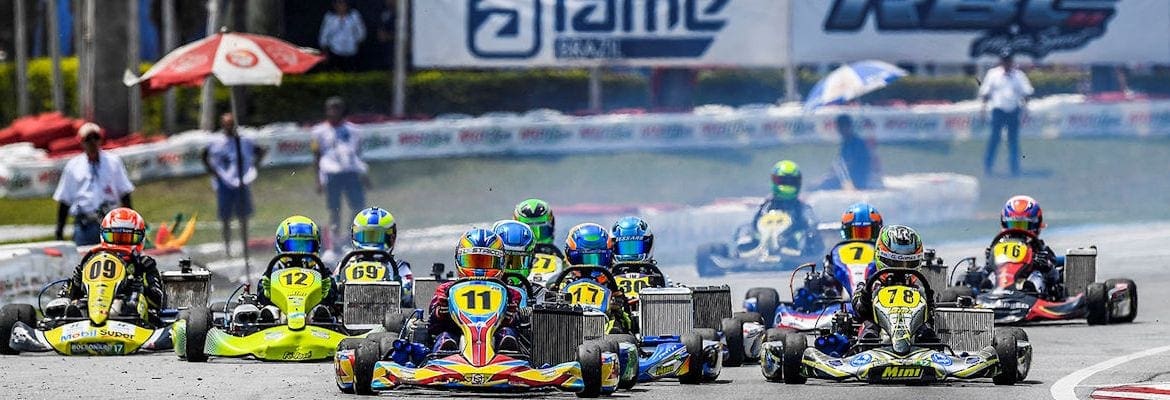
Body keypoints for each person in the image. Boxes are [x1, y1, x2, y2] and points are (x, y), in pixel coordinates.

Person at [55, 208, 164, 322]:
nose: (120, 245)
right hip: (93, 308)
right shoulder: (92, 261)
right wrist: (76, 283)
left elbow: (158, 300)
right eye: (114, 238)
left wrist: (140, 287)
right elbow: (77, 291)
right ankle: (73, 316)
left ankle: (128, 315)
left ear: (140, 238)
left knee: (136, 302)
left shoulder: (145, 264)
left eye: (126, 238)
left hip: (131, 313)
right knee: (73, 297)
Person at [427, 228, 524, 354]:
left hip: (496, 342)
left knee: (508, 334)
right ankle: (444, 353)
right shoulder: (445, 290)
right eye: (472, 261)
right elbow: (432, 325)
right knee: (445, 337)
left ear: (501, 263)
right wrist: (440, 312)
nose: (479, 269)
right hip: (456, 335)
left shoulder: (511, 293)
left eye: (486, 262)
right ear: (458, 260)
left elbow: (520, 325)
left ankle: (509, 352)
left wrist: (511, 315)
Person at [53, 123, 134, 246]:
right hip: (85, 226)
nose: (92, 142)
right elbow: (64, 200)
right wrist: (59, 231)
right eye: (88, 139)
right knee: (85, 262)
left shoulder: (113, 162)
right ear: (81, 141)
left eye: (95, 137)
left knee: (115, 259)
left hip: (111, 224)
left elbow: (124, 193)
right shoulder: (73, 166)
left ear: (100, 139)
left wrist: (130, 223)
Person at [851, 225, 937, 341]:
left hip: (913, 339)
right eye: (894, 263)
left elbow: (931, 314)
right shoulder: (870, 286)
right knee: (869, 326)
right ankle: (867, 343)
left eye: (908, 264)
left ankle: (928, 344)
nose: (900, 270)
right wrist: (867, 297)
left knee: (926, 328)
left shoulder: (919, 291)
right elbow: (859, 310)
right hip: (878, 340)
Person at [796, 203, 884, 311]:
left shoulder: (882, 253)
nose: (860, 239)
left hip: (876, 296)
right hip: (840, 301)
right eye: (855, 233)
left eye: (866, 233)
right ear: (846, 232)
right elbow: (828, 277)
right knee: (803, 293)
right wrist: (820, 283)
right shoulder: (838, 253)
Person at [970, 195, 1061, 298]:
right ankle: (986, 289)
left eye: (1022, 226)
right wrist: (990, 257)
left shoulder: (1040, 248)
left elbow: (1054, 276)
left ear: (1035, 225)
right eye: (1013, 224)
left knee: (1037, 275)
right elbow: (987, 268)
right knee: (982, 275)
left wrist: (1045, 264)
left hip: (1028, 289)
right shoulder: (998, 245)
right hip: (1002, 282)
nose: (1018, 230)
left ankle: (1031, 290)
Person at [202, 113, 266, 257]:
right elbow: (204, 156)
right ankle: (227, 248)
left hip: (241, 182)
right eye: (226, 124)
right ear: (222, 125)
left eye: (231, 124)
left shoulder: (243, 140)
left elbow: (260, 151)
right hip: (224, 183)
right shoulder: (216, 141)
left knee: (243, 217)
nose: (229, 127)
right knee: (226, 218)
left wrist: (253, 167)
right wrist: (214, 172)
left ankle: (245, 247)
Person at [312, 97, 370, 252]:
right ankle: (335, 238)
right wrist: (318, 179)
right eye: (331, 108)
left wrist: (364, 174)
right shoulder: (319, 131)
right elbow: (316, 156)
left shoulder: (353, 130)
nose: (334, 112)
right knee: (334, 208)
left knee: (358, 205)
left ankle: (351, 234)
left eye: (337, 108)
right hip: (332, 173)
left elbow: (357, 154)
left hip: (350, 172)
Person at [736, 160, 822, 257]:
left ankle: (805, 253)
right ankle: (742, 252)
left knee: (810, 234)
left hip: (792, 241)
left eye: (791, 182)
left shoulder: (801, 207)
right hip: (763, 238)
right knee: (744, 228)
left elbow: (812, 224)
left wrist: (808, 232)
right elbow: (754, 223)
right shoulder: (767, 205)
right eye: (783, 181)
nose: (787, 184)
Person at [259, 216, 337, 321]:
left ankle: (319, 315)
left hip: (314, 321)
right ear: (281, 246)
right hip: (280, 319)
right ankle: (270, 317)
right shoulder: (273, 274)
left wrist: (327, 293)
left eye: (306, 246)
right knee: (270, 310)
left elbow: (333, 296)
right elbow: (261, 296)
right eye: (293, 246)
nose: (299, 252)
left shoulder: (322, 273)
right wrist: (266, 293)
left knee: (322, 311)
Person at [563, 222, 634, 333]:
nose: (590, 266)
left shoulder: (614, 286)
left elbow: (629, 323)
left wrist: (618, 308)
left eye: (596, 259)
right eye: (583, 259)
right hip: (566, 331)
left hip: (606, 336)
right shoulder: (562, 284)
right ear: (570, 256)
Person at [336, 207, 414, 306]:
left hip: (388, 315)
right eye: (366, 236)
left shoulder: (398, 266)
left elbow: (407, 293)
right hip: (346, 312)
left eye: (376, 237)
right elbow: (332, 287)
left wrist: (397, 287)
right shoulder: (345, 265)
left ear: (391, 238)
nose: (371, 243)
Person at [979, 52, 1034, 177]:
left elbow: (1026, 93)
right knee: (994, 139)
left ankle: (1015, 168)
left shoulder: (1019, 75)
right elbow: (985, 93)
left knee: (1013, 140)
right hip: (998, 111)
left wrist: (1026, 111)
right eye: (1004, 61)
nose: (1007, 63)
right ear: (1001, 62)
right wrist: (983, 110)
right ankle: (988, 166)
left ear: (1012, 62)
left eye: (1009, 61)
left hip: (1014, 111)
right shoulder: (993, 74)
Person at [819, 115, 881, 190]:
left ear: (847, 127)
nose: (839, 131)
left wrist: (831, 177)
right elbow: (840, 163)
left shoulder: (856, 143)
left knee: (815, 186)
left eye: (840, 128)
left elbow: (848, 165)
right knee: (820, 183)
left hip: (857, 181)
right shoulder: (848, 142)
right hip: (853, 178)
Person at [318, 0, 366, 71]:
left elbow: (361, 31)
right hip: (334, 51)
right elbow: (323, 35)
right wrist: (325, 52)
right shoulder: (329, 17)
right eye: (338, 3)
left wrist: (357, 42)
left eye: (343, 3)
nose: (340, 6)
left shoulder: (354, 16)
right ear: (334, 5)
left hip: (352, 52)